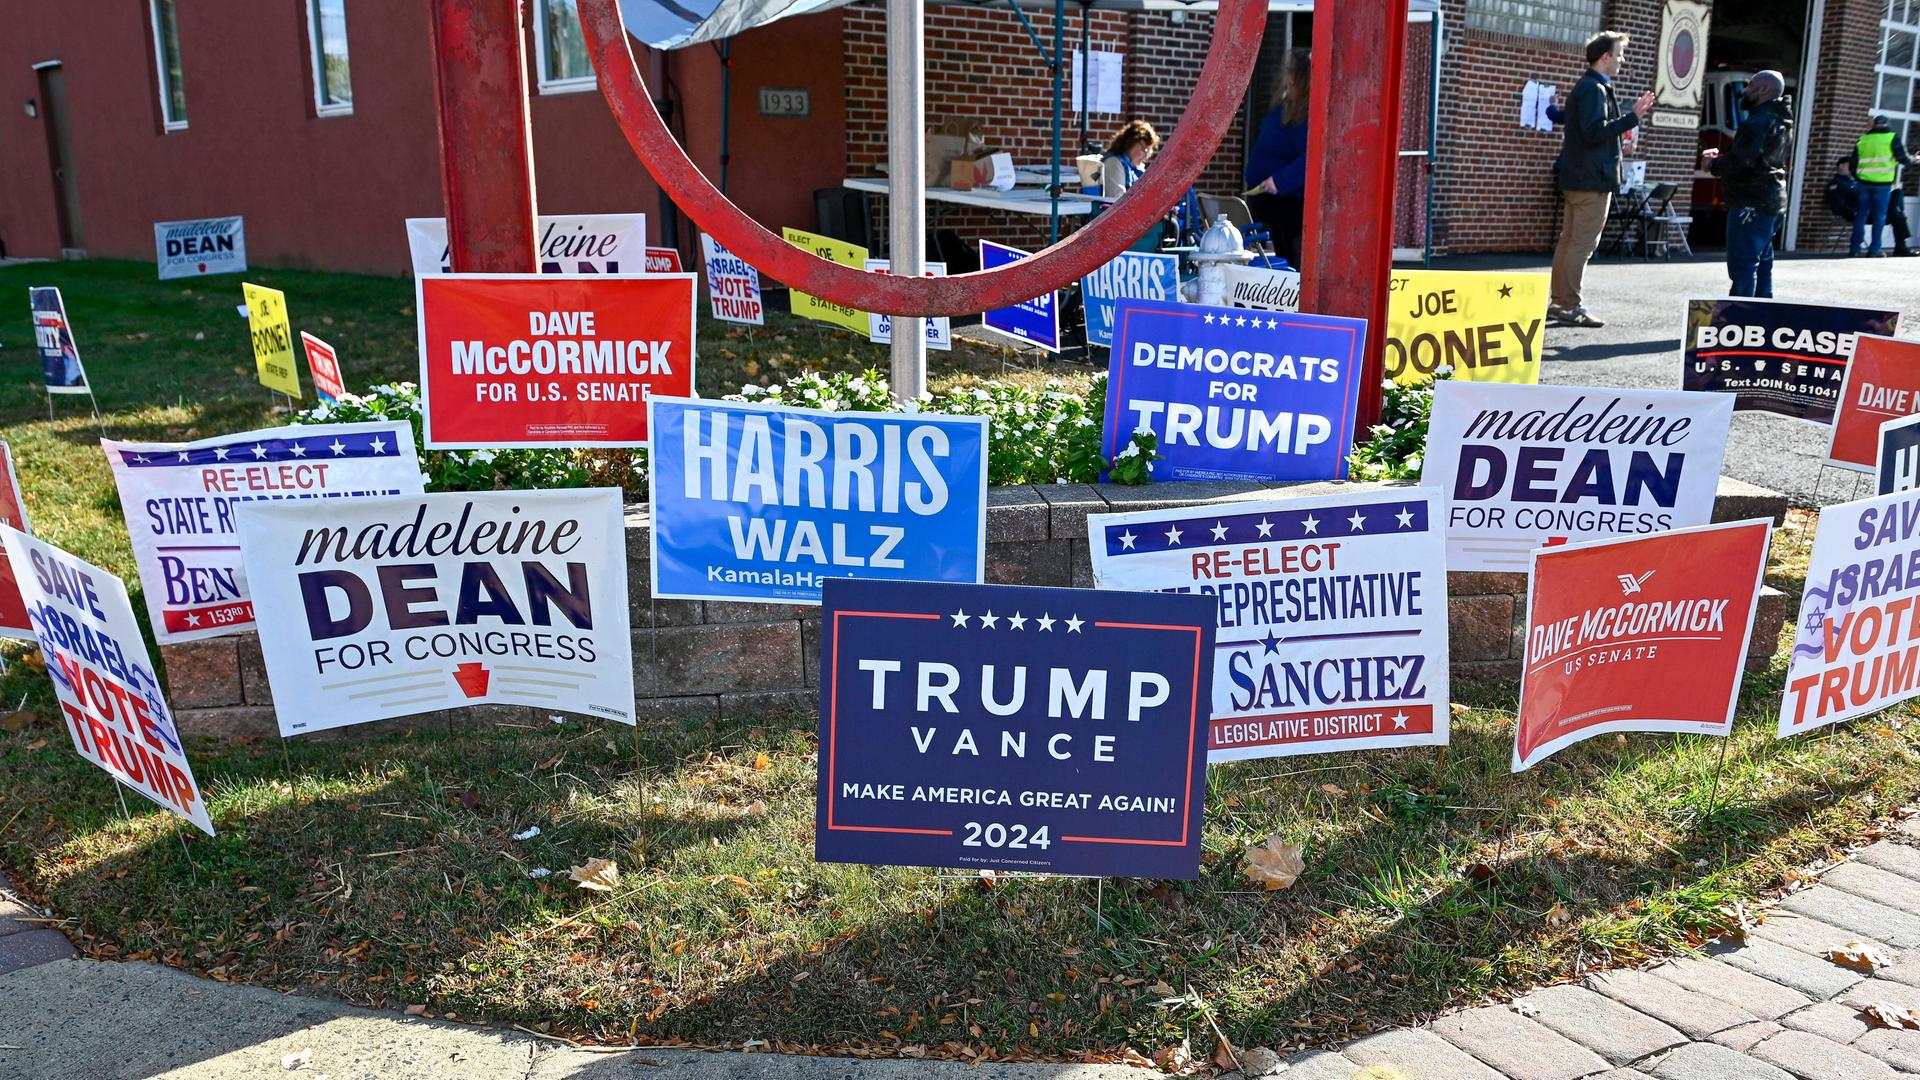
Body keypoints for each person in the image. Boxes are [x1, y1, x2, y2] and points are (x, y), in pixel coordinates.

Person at [1549, 31, 1654, 328]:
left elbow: (1590, 131)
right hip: (1591, 181)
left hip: (1579, 178)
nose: (1622, 59)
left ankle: (1560, 301)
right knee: (1581, 245)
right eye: (1619, 53)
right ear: (1605, 57)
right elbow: (1595, 132)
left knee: (1569, 243)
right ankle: (1570, 305)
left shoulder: (1589, 87)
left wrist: (1621, 131)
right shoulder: (1594, 89)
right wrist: (1632, 117)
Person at [1701, 71, 1792, 297]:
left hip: (1751, 203)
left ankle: (1741, 319)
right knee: (1761, 262)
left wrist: (1712, 164)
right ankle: (1760, 318)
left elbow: (1742, 161)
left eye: (1751, 86)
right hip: (1772, 201)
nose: (1746, 90)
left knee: (1743, 265)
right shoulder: (1781, 120)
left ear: (1764, 90)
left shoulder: (1758, 121)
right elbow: (1758, 159)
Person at [1245, 48, 1311, 268]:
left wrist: (1279, 181)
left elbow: (1310, 159)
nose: (1287, 79)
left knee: (1289, 260)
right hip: (1267, 201)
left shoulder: (1309, 114)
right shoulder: (1284, 107)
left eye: (1292, 74)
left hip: (1288, 203)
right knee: (1273, 263)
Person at [1851, 116, 1918, 257]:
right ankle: (1874, 250)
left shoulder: (1863, 140)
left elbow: (1853, 164)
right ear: (1887, 124)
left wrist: (1860, 178)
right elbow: (1903, 159)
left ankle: (1855, 250)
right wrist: (1916, 159)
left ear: (1874, 125)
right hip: (1882, 185)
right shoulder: (1892, 138)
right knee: (1879, 217)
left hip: (1863, 183)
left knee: (1861, 216)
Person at [1099, 120, 1159, 197]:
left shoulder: (1136, 169)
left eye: (1149, 151)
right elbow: (1117, 198)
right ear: (1130, 143)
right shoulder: (1114, 163)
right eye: (1144, 149)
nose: (1146, 156)